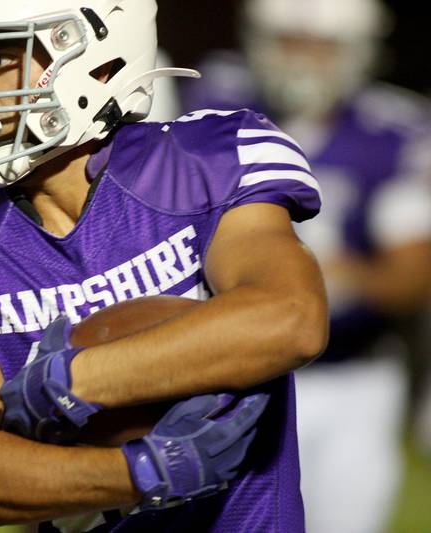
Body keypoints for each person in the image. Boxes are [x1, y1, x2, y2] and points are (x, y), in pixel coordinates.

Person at [0, 1, 328, 531]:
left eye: (0, 57)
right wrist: (141, 474)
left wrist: (73, 380)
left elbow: (290, 319)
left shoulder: (205, 163)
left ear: (98, 56)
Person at [183, 0, 431, 531]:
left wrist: (327, 284)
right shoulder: (212, 103)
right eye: (290, 42)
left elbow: (411, 272)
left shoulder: (392, 129)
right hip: (233, 373)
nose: (304, 61)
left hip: (352, 375)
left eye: (322, 46)